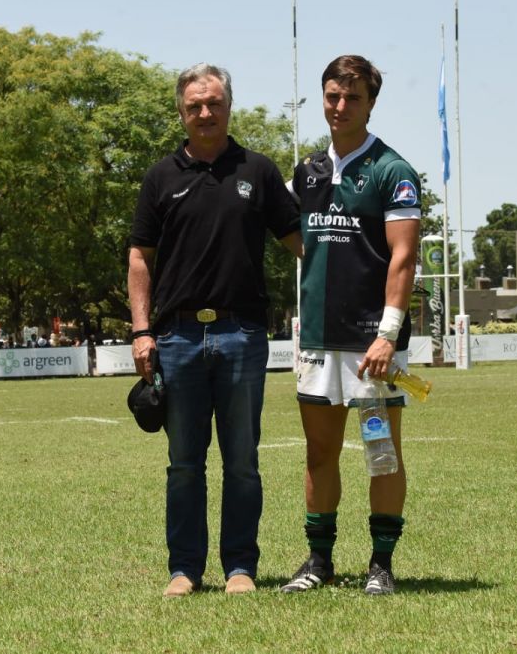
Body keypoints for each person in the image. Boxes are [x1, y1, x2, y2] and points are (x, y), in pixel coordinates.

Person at [128, 63, 302, 597]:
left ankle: (240, 567)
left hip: (242, 335)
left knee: (242, 462)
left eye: (214, 103)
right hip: (177, 339)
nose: (205, 113)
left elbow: (300, 242)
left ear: (229, 106)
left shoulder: (259, 170)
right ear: (181, 112)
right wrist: (141, 331)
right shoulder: (160, 176)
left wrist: (356, 261)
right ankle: (184, 570)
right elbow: (140, 258)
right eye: (194, 106)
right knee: (184, 464)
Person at [281, 55, 422, 596]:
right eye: (333, 96)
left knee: (380, 454)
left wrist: (387, 334)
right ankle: (319, 561)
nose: (340, 107)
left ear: (371, 103)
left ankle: (381, 564)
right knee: (319, 454)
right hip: (318, 339)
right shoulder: (308, 172)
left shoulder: (392, 171)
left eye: (353, 98)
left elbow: (403, 259)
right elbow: (291, 234)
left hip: (370, 346)